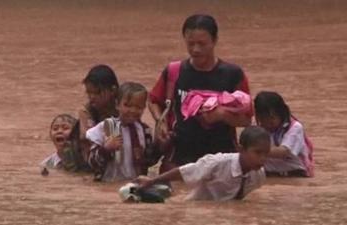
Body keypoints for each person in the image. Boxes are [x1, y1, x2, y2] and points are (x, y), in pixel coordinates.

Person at [148, 14, 252, 172]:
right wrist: (160, 121)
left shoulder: (233, 74)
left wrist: (222, 115)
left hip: (221, 161)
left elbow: (246, 120)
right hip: (178, 160)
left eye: (202, 44)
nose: (195, 49)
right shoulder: (174, 71)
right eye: (190, 44)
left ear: (215, 41)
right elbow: (153, 100)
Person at [135, 126, 270, 201]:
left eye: (266, 153)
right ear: (240, 149)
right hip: (197, 210)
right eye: (257, 153)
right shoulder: (217, 163)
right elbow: (185, 172)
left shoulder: (259, 176)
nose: (262, 159)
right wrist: (152, 181)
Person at [86, 82, 162, 182]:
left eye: (138, 107)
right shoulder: (106, 127)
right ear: (117, 105)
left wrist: (160, 146)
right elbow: (91, 162)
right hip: (109, 183)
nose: (133, 110)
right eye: (127, 105)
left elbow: (149, 162)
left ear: (144, 108)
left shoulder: (145, 131)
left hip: (135, 184)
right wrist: (106, 149)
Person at [254, 91, 314, 177]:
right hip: (268, 175)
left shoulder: (295, 127)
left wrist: (255, 151)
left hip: (295, 174)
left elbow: (283, 151)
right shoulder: (255, 127)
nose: (268, 122)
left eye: (271, 117)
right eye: (263, 118)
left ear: (281, 113)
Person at [73, 64, 120, 168]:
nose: (92, 97)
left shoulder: (124, 108)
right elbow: (86, 138)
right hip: (91, 158)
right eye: (89, 93)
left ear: (113, 90)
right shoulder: (87, 111)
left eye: (97, 92)